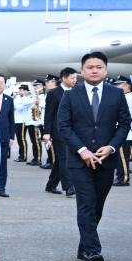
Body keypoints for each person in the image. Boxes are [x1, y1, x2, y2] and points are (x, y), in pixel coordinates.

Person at [57, 52, 131, 261]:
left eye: (99, 67)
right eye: (90, 67)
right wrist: (82, 150)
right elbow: (64, 126)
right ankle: (92, 250)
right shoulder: (71, 95)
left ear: (106, 70)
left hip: (106, 159)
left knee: (97, 206)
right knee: (86, 203)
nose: (94, 70)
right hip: (80, 161)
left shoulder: (116, 94)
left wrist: (111, 147)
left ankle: (84, 247)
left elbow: (124, 124)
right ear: (82, 70)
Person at [43, 67, 77, 196]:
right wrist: (47, 132)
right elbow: (49, 114)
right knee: (65, 158)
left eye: (75, 78)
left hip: (73, 131)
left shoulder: (77, 91)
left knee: (60, 159)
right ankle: (69, 187)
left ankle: (51, 185)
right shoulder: (54, 93)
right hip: (58, 131)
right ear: (63, 78)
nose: (74, 80)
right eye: (72, 78)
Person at [110, 75, 132, 186]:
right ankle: (121, 176)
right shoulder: (125, 96)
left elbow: (126, 114)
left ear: (126, 85)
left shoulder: (129, 97)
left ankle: (124, 177)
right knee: (119, 155)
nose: (117, 87)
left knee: (122, 156)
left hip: (122, 130)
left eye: (119, 85)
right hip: (119, 129)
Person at [13, 83, 33, 162]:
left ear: (27, 91)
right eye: (20, 90)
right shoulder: (17, 98)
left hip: (23, 121)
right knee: (19, 139)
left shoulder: (28, 98)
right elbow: (17, 106)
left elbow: (20, 107)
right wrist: (23, 105)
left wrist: (24, 101)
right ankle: (21, 154)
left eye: (23, 90)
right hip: (17, 120)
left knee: (22, 139)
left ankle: (23, 156)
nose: (21, 92)